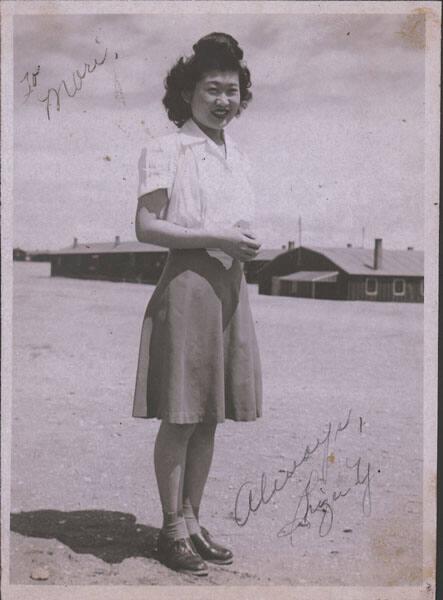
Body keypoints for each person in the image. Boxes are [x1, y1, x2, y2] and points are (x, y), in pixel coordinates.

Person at [133, 32, 263, 577]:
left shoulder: (238, 156)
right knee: (183, 414)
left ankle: (192, 519)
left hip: (230, 287)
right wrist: (217, 236)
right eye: (212, 89)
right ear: (187, 92)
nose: (223, 100)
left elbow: (234, 228)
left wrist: (242, 245)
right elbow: (145, 227)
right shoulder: (167, 148)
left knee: (211, 415)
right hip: (186, 284)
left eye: (232, 91)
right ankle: (169, 529)